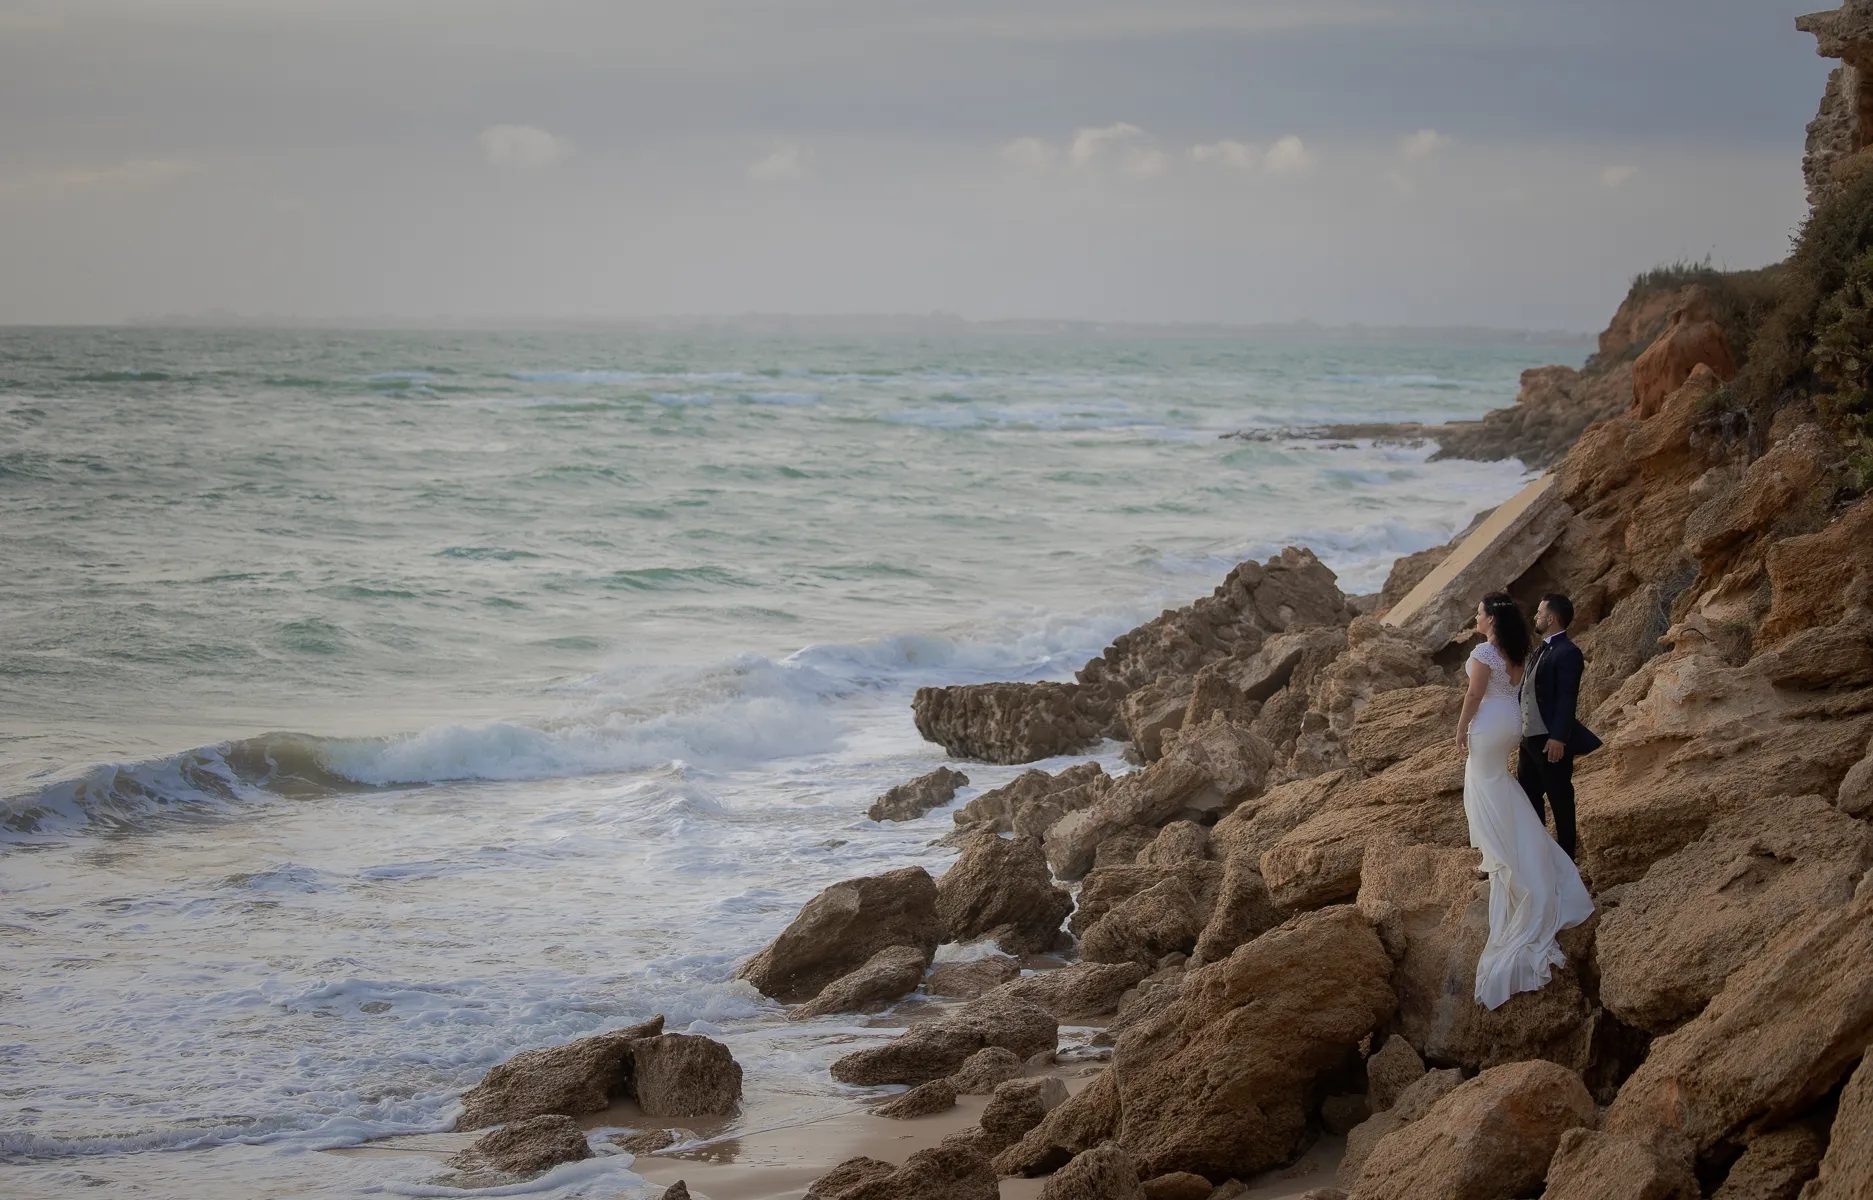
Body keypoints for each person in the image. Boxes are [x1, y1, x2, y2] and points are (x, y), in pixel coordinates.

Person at [1455, 592, 1593, 1010]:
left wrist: (1461, 727)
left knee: (1485, 784)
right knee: (1498, 784)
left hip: (1490, 724)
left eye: (1479, 612)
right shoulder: (1517, 650)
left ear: (1491, 618)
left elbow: (1475, 694)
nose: (1475, 617)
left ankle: (1501, 855)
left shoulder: (1484, 650)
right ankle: (1514, 850)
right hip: (1511, 725)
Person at [1517, 593, 1602, 860]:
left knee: (1560, 799)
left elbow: (1568, 697)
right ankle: (1539, 854)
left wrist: (1558, 737)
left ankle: (1567, 858)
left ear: (1551, 619)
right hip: (1528, 740)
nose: (1535, 617)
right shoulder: (1540, 649)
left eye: (1540, 613)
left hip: (1550, 740)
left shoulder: (1569, 652)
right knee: (1528, 799)